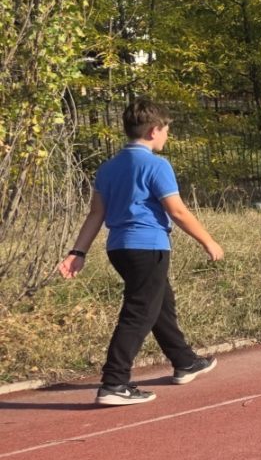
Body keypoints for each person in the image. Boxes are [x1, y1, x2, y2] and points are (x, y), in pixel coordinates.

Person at [57, 99, 224, 406]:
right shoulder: (157, 165)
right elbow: (177, 211)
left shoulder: (108, 168)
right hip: (148, 247)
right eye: (166, 130)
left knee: (160, 302)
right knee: (139, 312)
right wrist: (208, 241)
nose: (167, 135)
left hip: (118, 248)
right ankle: (114, 383)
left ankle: (184, 361)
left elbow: (96, 214)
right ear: (153, 131)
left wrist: (77, 251)